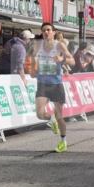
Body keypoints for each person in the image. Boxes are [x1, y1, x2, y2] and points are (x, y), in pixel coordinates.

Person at [33, 21, 73, 153]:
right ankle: (51, 120)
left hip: (56, 84)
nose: (46, 32)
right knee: (39, 113)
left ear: (53, 32)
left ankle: (63, 141)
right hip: (42, 83)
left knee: (59, 116)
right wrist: (32, 69)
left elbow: (72, 61)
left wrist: (62, 60)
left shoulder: (59, 45)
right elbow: (32, 63)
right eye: (44, 30)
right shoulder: (38, 46)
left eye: (48, 30)